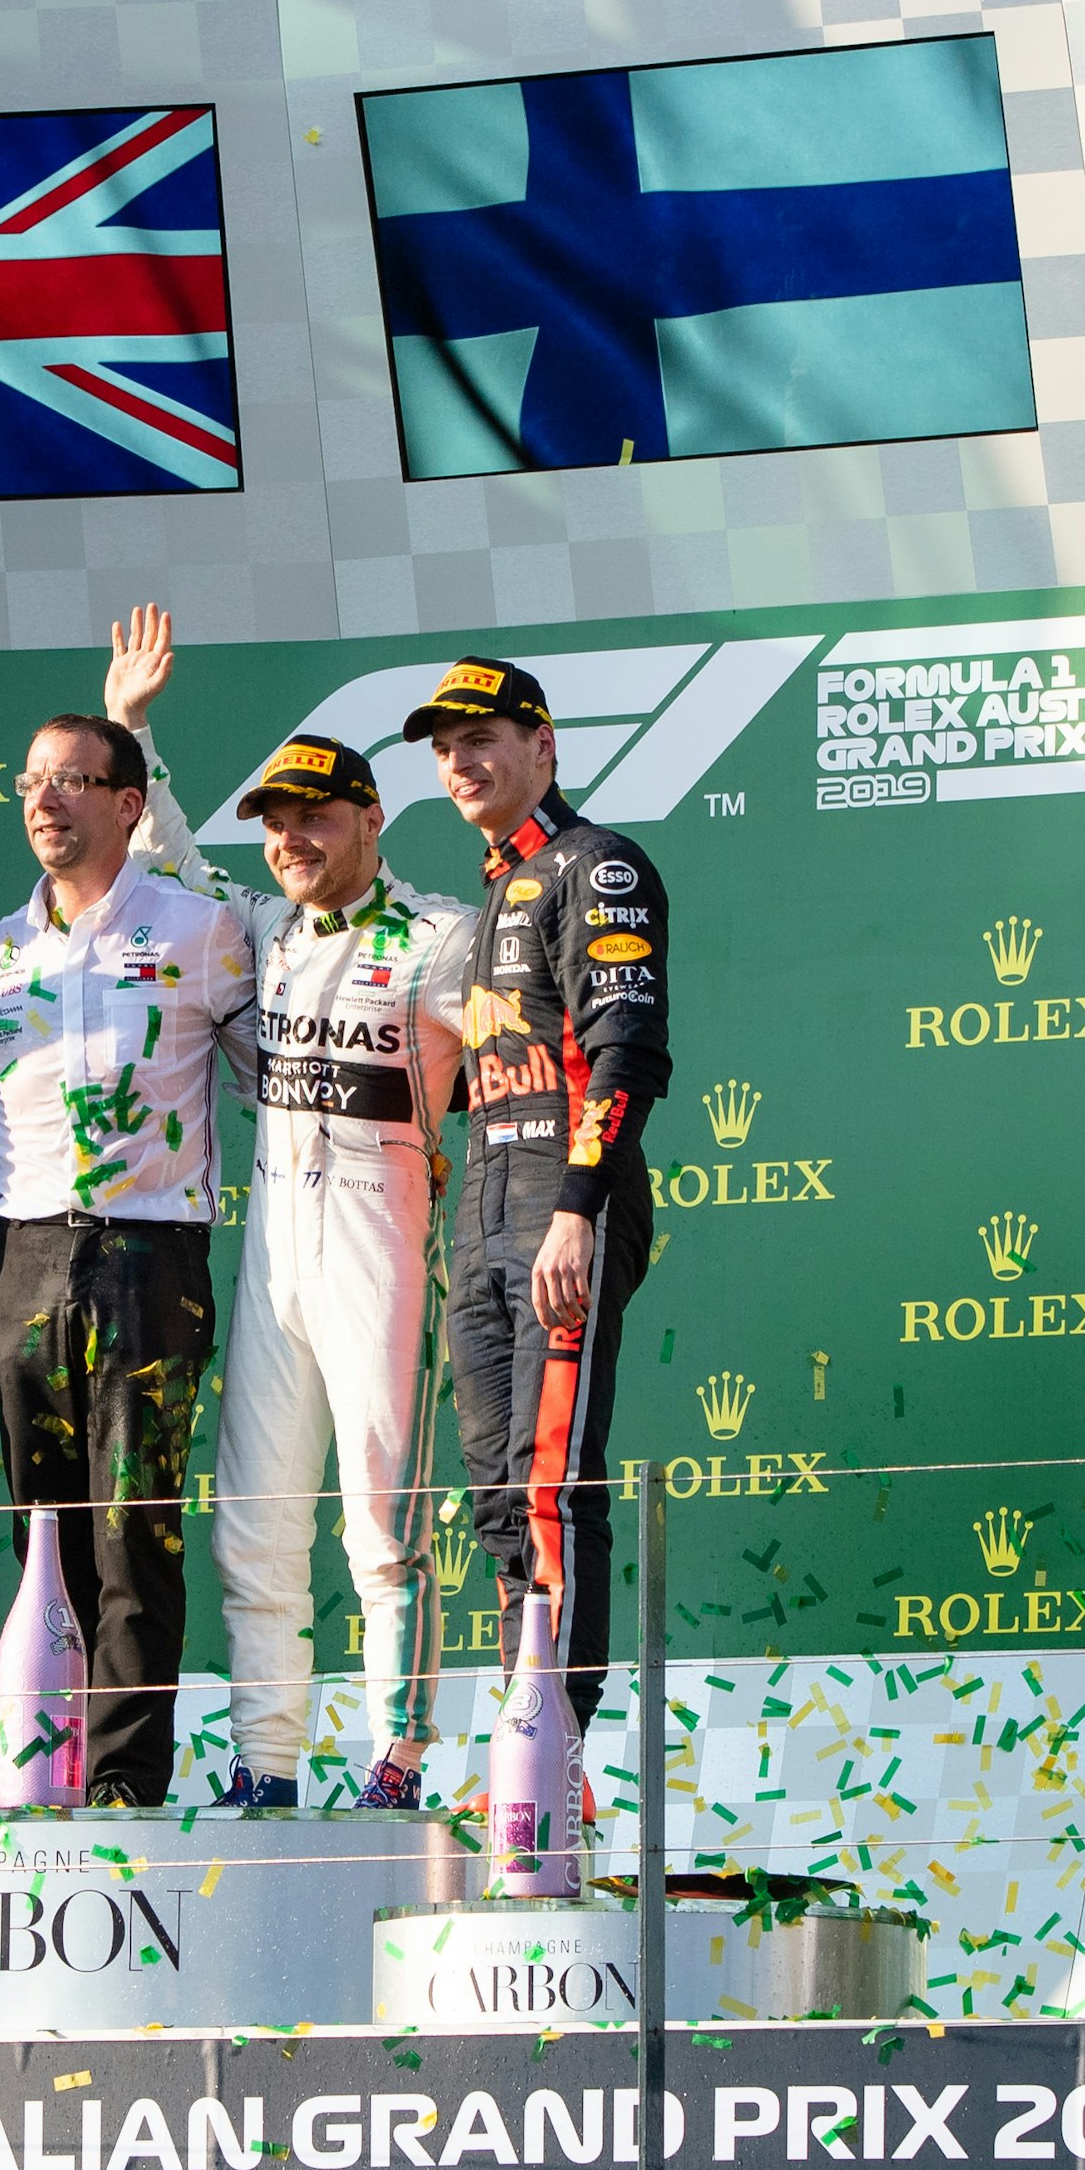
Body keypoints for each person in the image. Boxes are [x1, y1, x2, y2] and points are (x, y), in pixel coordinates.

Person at [99, 607, 471, 1811]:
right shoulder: (249, 927)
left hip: (385, 1241)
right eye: (276, 822)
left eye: (317, 815)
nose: (294, 838)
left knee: (380, 1525)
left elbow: (521, 1061)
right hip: (272, 1247)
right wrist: (133, 726)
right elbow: (165, 856)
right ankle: (264, 1763)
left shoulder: (445, 936)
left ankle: (400, 1761)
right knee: (254, 1528)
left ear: (372, 817)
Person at [0, 707, 255, 1806]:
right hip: (27, 1255)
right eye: (32, 780)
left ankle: (129, 1782)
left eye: (74, 781)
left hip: (151, 1256)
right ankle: (48, 1771)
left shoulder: (200, 928)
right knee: (45, 1531)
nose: (46, 799)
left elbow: (269, 1069)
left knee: (136, 1531)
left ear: (128, 806)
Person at [412, 658, 670, 1744]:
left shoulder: (595, 865)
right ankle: (528, 1724)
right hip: (484, 1218)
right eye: (445, 746)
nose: (462, 760)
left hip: (564, 1209)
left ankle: (557, 1741)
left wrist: (576, 1206)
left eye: (485, 737)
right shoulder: (493, 890)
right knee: (496, 1502)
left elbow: (627, 1057)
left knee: (552, 1482)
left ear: (544, 746)